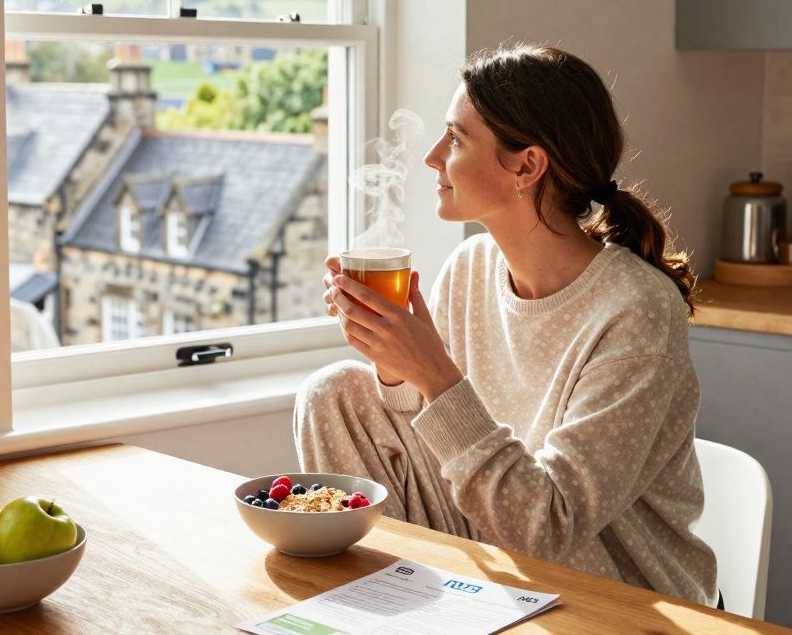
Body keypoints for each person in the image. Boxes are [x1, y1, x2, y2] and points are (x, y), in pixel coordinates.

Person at [297, 43, 719, 607]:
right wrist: (394, 357)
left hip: (617, 598)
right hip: (499, 566)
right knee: (335, 393)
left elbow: (548, 526)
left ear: (527, 165)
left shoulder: (637, 312)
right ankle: (391, 606)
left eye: (455, 139)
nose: (431, 157)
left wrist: (435, 372)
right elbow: (425, 420)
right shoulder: (471, 267)